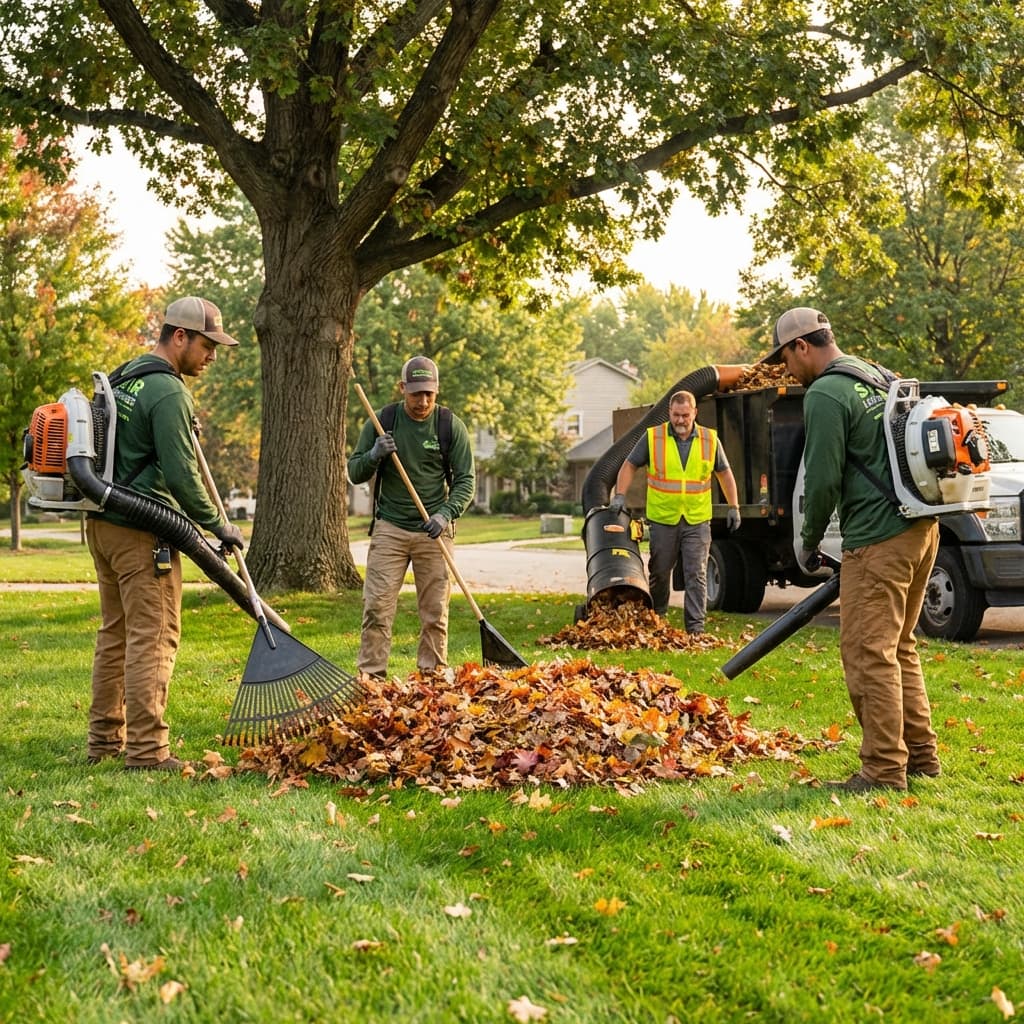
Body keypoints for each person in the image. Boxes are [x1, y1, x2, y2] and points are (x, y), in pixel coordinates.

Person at [763, 306, 941, 792]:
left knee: (868, 652)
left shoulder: (825, 393)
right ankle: (922, 757)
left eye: (785, 358)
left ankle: (884, 770)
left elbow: (820, 480)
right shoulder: (877, 376)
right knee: (899, 646)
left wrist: (807, 542)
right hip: (920, 529)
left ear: (803, 346)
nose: (785, 370)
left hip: (878, 540)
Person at [86, 297, 245, 773]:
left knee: (115, 635)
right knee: (153, 638)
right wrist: (219, 525)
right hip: (142, 534)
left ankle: (103, 743)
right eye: (207, 345)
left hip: (103, 526)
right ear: (180, 337)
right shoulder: (170, 393)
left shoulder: (126, 375)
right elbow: (181, 476)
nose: (212, 356)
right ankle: (148, 753)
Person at [348, 356, 475, 678]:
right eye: (415, 393)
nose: (423, 401)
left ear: (437, 390)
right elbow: (354, 471)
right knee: (377, 607)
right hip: (390, 527)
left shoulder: (449, 425)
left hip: (434, 530)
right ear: (402, 388)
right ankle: (371, 678)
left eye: (429, 394)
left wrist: (445, 514)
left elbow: (465, 480)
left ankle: (431, 680)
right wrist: (375, 454)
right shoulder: (382, 421)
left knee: (435, 612)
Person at [610, 390, 741, 634]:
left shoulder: (709, 439)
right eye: (676, 415)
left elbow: (724, 472)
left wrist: (734, 506)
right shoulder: (653, 437)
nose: (680, 420)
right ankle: (657, 619)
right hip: (663, 519)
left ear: (695, 413)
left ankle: (696, 629)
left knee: (696, 575)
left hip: (697, 519)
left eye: (685, 415)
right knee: (660, 572)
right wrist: (620, 495)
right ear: (669, 413)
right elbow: (629, 465)